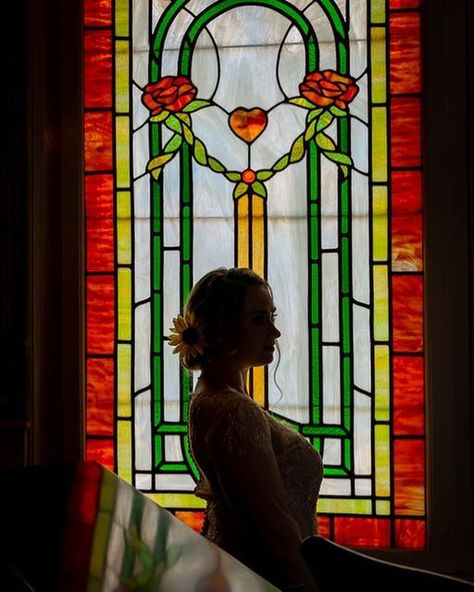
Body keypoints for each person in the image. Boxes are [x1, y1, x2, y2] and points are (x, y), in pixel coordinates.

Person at [168, 267, 322, 591]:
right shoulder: (233, 410)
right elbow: (276, 532)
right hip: (261, 579)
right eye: (258, 319)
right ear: (221, 329)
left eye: (272, 316)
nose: (274, 333)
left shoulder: (211, 396)